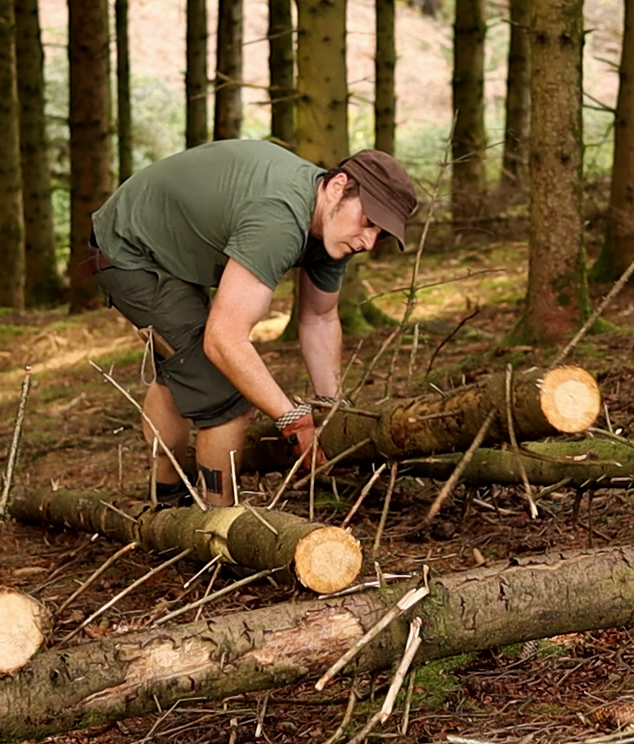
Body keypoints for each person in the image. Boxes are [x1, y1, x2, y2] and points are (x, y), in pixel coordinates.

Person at [89, 139, 418, 507]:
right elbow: (224, 339)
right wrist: (292, 420)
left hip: (175, 248)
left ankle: (167, 497)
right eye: (369, 222)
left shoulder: (334, 229)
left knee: (185, 370)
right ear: (338, 186)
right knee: (226, 400)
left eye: (382, 233)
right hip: (131, 251)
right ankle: (219, 529)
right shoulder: (278, 218)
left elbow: (320, 318)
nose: (370, 242)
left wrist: (330, 407)